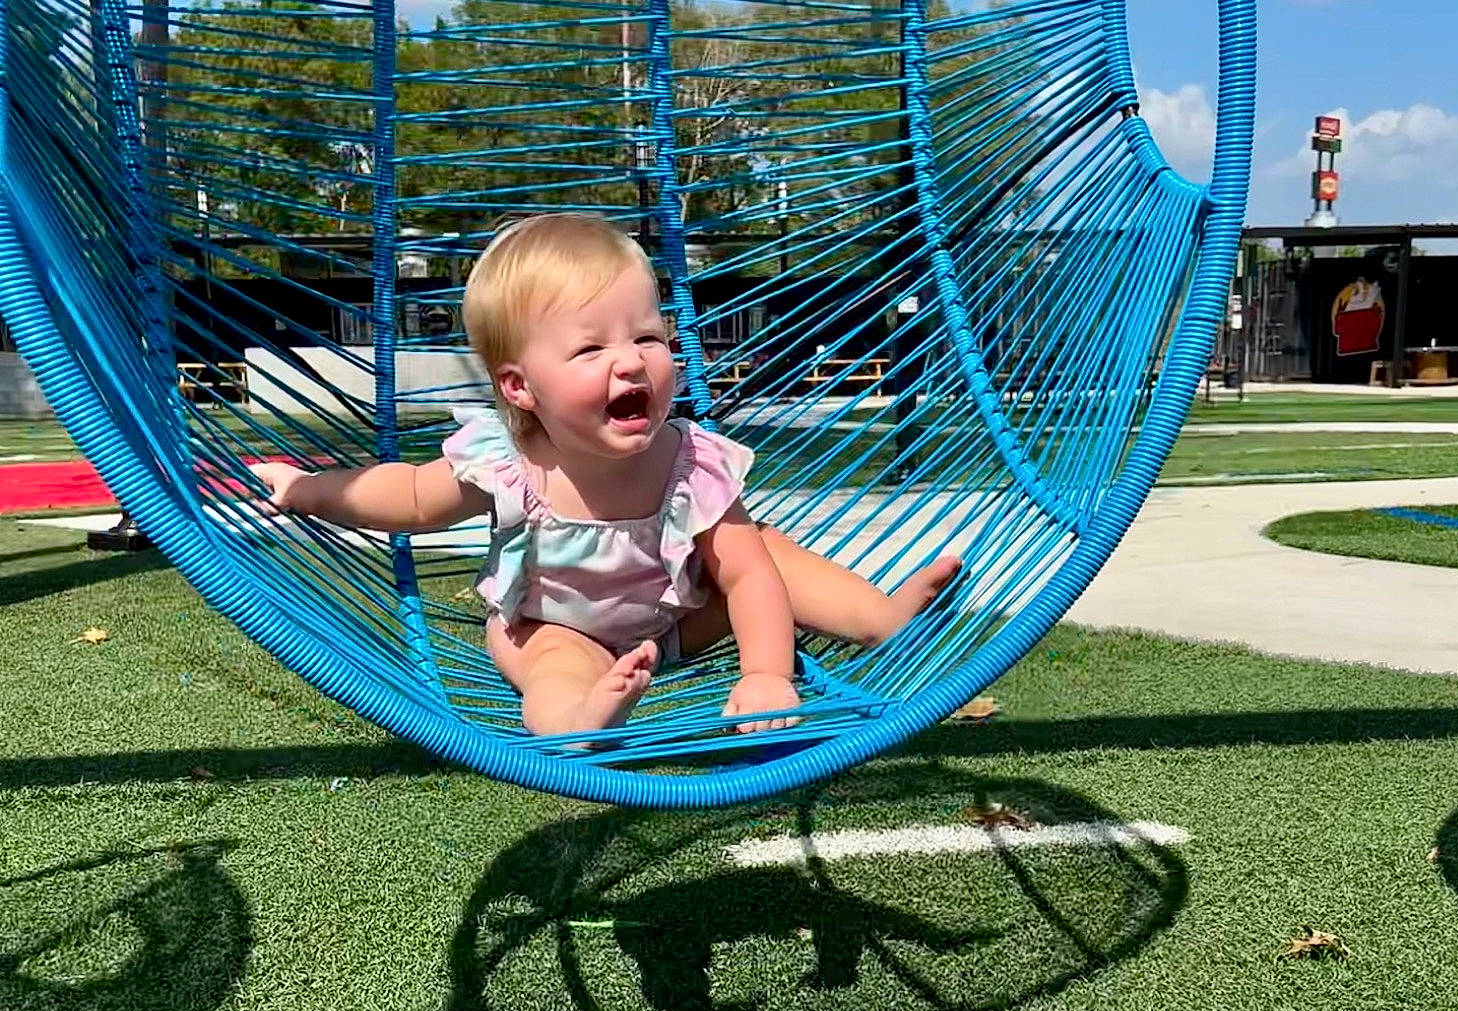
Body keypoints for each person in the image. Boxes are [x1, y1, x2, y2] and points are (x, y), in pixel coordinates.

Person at [254, 214, 960, 736]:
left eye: (648, 337)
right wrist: (307, 490)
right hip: (553, 624)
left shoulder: (691, 461)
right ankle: (580, 718)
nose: (630, 362)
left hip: (675, 619)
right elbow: (408, 497)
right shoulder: (508, 462)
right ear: (520, 387)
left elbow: (745, 579)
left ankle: (877, 617)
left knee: (761, 552)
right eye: (591, 348)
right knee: (551, 666)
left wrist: (766, 674)